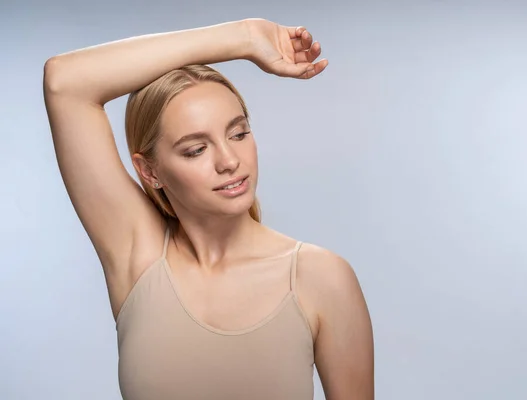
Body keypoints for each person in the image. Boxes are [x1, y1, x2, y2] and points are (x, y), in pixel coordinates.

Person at [43, 18, 374, 400]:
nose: (229, 160)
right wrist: (244, 38)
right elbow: (64, 82)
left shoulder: (321, 279)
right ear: (150, 171)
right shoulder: (140, 257)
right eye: (196, 149)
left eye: (238, 133)